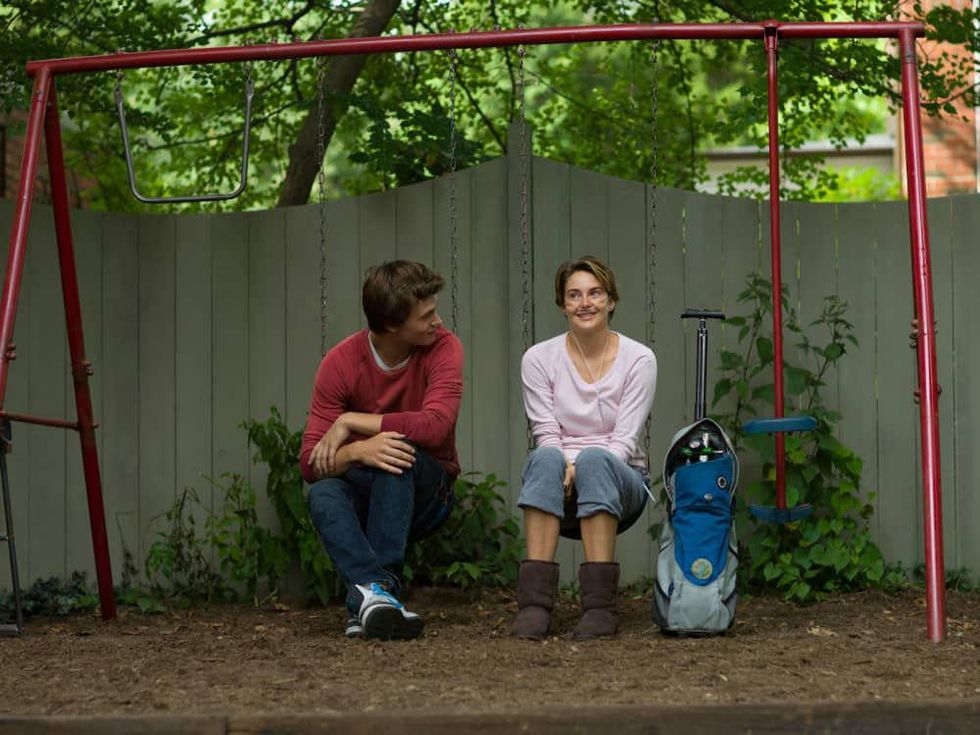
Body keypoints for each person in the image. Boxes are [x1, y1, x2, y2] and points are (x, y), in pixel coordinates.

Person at [301, 260, 463, 641]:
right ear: (393, 325)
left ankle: (378, 595)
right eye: (426, 316)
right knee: (324, 491)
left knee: (395, 450)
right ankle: (377, 599)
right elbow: (310, 463)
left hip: (429, 493)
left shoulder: (444, 347)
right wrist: (358, 453)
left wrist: (350, 423)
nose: (437, 322)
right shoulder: (340, 363)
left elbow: (436, 425)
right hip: (366, 488)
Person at [512, 255, 657, 640]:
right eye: (573, 295)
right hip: (560, 479)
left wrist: (580, 465)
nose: (585, 303)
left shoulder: (639, 359)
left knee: (595, 459)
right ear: (562, 305)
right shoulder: (538, 359)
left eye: (595, 293)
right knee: (544, 456)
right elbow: (546, 433)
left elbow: (623, 441)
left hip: (622, 481)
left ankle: (599, 608)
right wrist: (567, 466)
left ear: (611, 301)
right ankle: (534, 607)